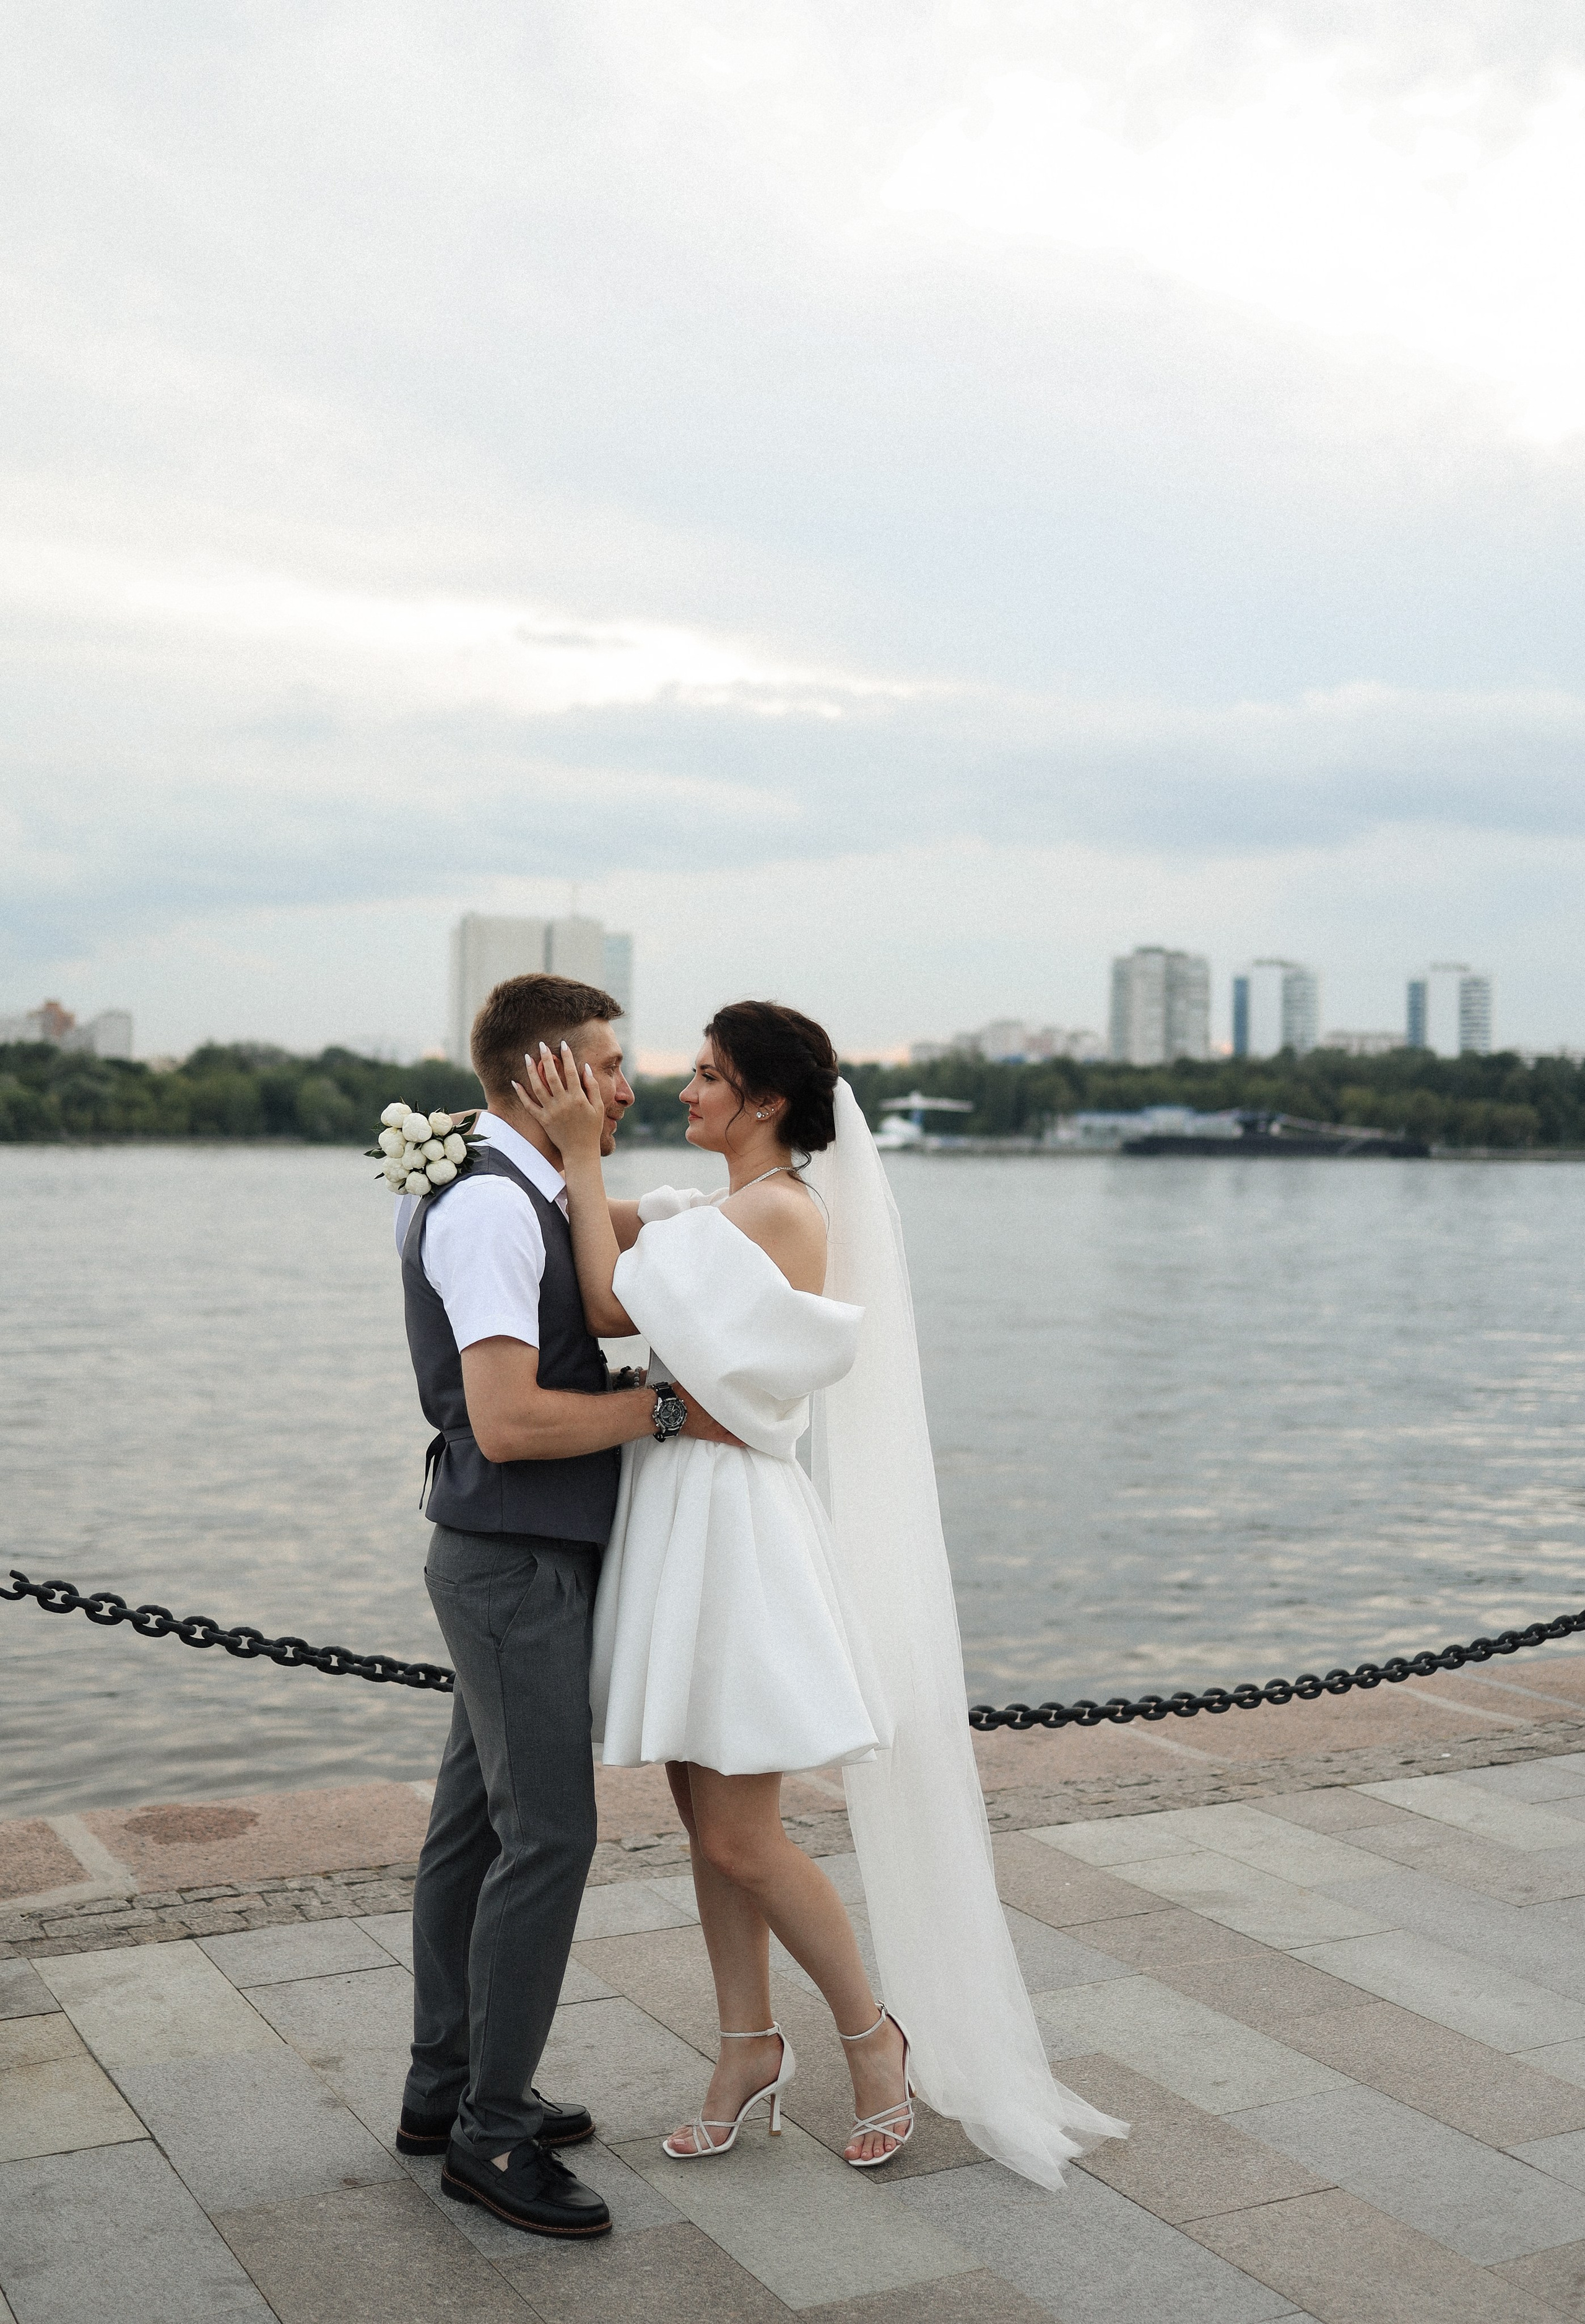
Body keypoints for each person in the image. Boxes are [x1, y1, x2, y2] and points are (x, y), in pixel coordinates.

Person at [518, 1001, 1127, 2184]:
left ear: (764, 1103)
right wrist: (492, 1149)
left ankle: (871, 2036)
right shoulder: (728, 1209)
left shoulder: (778, 1213)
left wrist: (585, 1153)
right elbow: (595, 1222)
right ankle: (746, 2044)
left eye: (705, 1076)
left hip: (734, 1527)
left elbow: (605, 1298)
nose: (681, 1090)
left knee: (744, 1830)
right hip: (687, 1510)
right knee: (705, 1815)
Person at [393, 971, 737, 2239]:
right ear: (541, 1075)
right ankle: (487, 2137)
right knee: (549, 1837)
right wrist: (663, 1409)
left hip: (508, 1553)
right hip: (510, 1562)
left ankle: (445, 2091)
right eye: (604, 1062)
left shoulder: (530, 1190)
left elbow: (650, 1226)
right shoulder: (489, 1210)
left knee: (474, 1834)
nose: (625, 1083)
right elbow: (509, 1415)